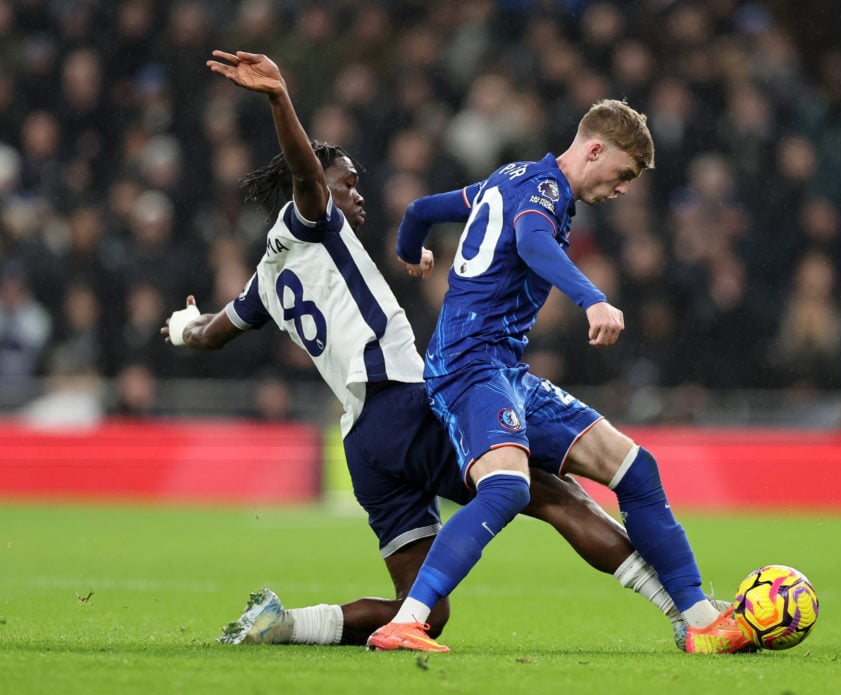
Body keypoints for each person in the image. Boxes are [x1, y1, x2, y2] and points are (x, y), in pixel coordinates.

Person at [167, 50, 721, 650]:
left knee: (428, 609)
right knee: (550, 493)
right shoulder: (313, 218)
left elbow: (212, 333)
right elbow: (307, 173)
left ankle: (286, 624)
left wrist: (182, 326)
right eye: (347, 183)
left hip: (363, 445)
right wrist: (280, 99)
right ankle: (684, 611)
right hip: (409, 402)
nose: (357, 195)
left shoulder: (265, 281)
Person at [378, 99, 751, 654]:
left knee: (634, 467)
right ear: (595, 149)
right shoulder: (546, 193)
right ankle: (406, 621)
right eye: (623, 174)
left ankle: (698, 619)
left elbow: (419, 210)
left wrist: (413, 252)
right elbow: (531, 241)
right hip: (468, 365)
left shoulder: (506, 180)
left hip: (503, 368)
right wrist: (592, 299)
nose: (624, 188)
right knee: (507, 488)